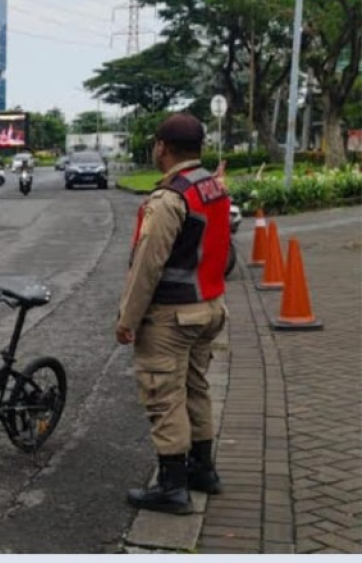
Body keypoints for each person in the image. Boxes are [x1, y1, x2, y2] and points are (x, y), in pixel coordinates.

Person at [116, 113, 230, 516]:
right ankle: (202, 470)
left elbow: (146, 267)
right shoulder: (212, 186)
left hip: (172, 316)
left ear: (162, 147)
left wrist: (127, 320)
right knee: (196, 388)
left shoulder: (170, 199)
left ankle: (172, 486)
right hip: (209, 308)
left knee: (163, 395)